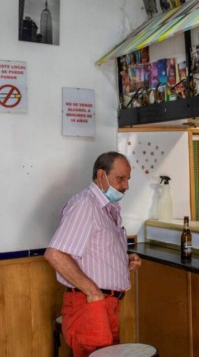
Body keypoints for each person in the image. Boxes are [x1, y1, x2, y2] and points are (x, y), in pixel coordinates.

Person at [45, 152, 141, 357]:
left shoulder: (108, 208)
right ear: (101, 175)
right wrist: (94, 293)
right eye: (120, 179)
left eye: (127, 179)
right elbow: (55, 254)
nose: (126, 186)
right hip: (92, 305)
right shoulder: (85, 205)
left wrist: (124, 260)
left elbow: (94, 252)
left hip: (107, 305)